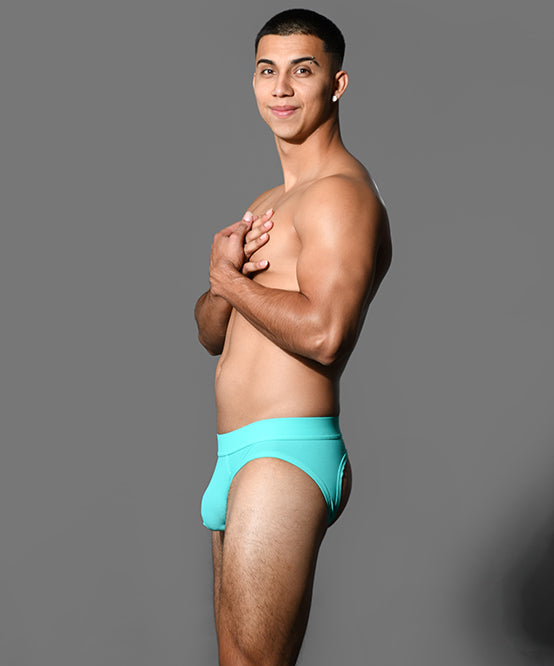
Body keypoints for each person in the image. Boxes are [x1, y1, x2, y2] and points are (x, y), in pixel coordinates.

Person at [194, 9, 392, 665]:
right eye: (266, 70)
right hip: (233, 454)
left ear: (337, 83)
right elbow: (212, 334)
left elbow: (327, 334)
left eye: (301, 71)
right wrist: (222, 285)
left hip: (284, 453)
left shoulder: (341, 196)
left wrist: (233, 281)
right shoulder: (267, 202)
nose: (280, 88)